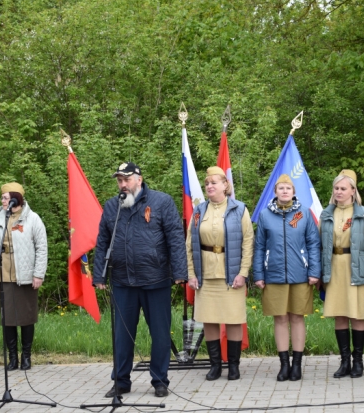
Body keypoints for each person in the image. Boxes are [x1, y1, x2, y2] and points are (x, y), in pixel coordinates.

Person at [93, 162, 187, 398]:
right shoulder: (113, 206)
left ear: (139, 179)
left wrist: (179, 272)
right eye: (119, 180)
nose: (122, 184)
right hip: (123, 281)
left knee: (161, 334)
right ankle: (121, 381)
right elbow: (103, 240)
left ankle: (159, 380)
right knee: (122, 335)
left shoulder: (161, 202)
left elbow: (175, 238)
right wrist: (99, 274)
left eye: (126, 179)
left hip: (156, 279)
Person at [187, 166, 254, 382]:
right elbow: (189, 245)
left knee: (234, 320)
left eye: (214, 182)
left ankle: (233, 366)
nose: (209, 186)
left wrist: (243, 272)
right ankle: (215, 365)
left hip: (231, 274)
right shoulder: (198, 211)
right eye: (207, 183)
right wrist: (191, 273)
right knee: (209, 320)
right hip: (205, 274)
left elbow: (248, 242)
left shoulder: (240, 209)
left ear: (225, 185)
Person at [253, 174, 321, 382]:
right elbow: (259, 247)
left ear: (293, 192)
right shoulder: (265, 215)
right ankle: (284, 365)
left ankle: (297, 365)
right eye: (280, 188)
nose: (284, 191)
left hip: (300, 274)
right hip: (273, 275)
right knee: (280, 318)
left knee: (297, 317)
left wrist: (314, 271)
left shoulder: (305, 214)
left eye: (288, 188)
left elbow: (313, 243)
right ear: (275, 192)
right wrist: (258, 273)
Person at [320, 169, 364, 378]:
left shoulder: (363, 214)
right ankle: (344, 361)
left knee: (357, 314)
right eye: (336, 188)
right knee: (340, 314)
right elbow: (319, 245)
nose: (338, 191)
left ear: (353, 191)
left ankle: (358, 362)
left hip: (357, 268)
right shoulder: (327, 214)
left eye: (343, 188)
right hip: (334, 268)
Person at [0, 182, 47, 371]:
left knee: (26, 318)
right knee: (8, 319)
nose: (2, 200)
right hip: (4, 275)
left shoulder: (32, 219)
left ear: (15, 198)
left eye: (5, 197)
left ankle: (26, 356)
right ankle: (12, 357)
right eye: (2, 197)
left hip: (25, 276)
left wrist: (38, 274)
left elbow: (42, 248)